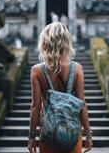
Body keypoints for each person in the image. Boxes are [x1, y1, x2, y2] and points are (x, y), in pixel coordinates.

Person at [28, 22, 93, 153]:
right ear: (66, 42)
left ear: (45, 42)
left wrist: (31, 136)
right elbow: (82, 104)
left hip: (48, 131)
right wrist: (88, 134)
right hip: (72, 132)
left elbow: (36, 106)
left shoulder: (36, 70)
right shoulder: (77, 69)